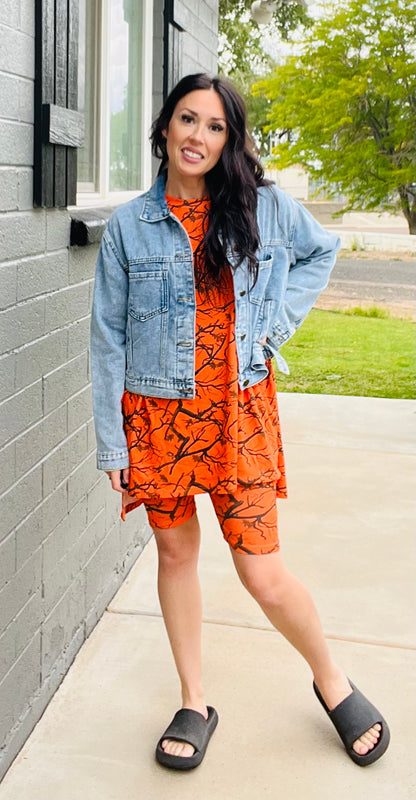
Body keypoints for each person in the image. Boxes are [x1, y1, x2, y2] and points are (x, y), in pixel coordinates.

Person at [90, 73, 389, 771]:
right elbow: (107, 336)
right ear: (164, 127)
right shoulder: (130, 226)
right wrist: (112, 438)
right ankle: (195, 699)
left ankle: (331, 679)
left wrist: (274, 330)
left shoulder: (262, 205)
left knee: (262, 572)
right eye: (187, 120)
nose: (198, 136)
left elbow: (323, 251)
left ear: (230, 139)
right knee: (174, 554)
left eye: (215, 126)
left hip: (238, 413)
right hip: (155, 416)